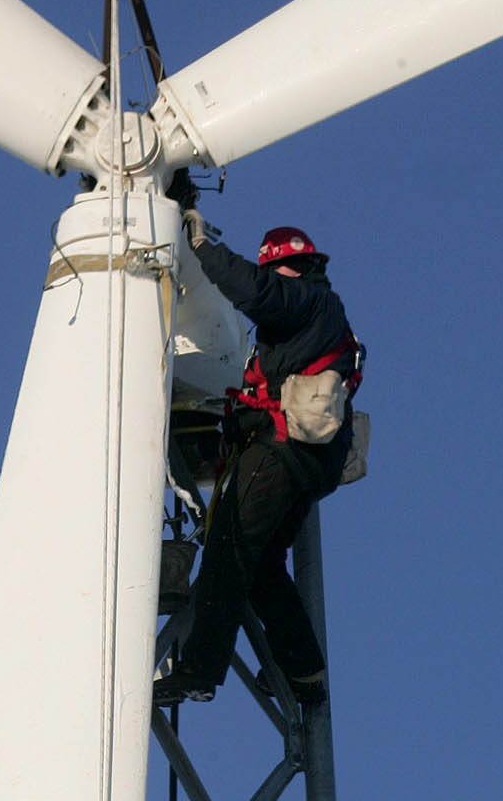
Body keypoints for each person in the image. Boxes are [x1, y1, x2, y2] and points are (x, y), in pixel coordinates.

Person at [154, 213, 363, 714]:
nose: (274, 280)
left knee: (227, 550)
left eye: (278, 271)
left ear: (299, 268)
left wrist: (202, 249)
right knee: (263, 567)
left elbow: (256, 292)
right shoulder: (310, 325)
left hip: (280, 450)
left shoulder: (309, 302)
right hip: (306, 460)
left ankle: (199, 670)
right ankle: (304, 672)